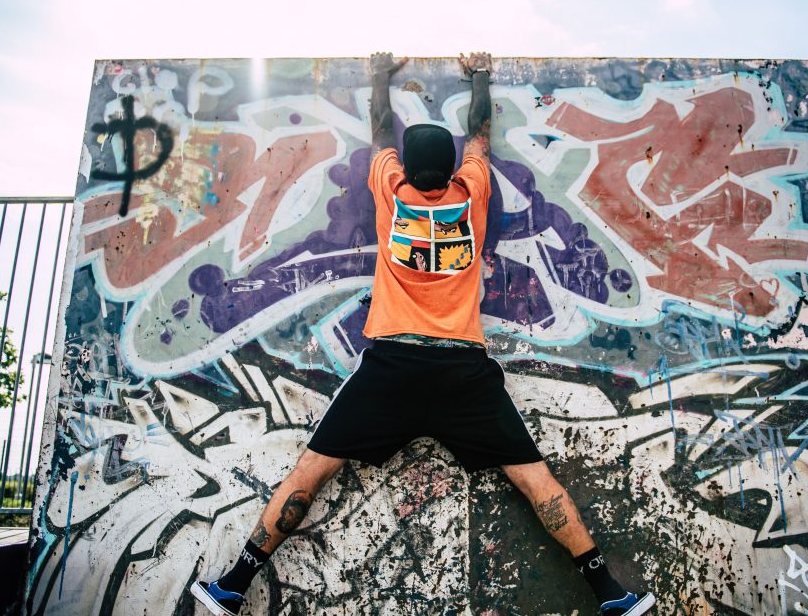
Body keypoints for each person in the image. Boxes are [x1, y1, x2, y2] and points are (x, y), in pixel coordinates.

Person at [190, 52, 656, 616]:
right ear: (452, 167)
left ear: (407, 168)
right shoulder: (473, 191)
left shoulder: (392, 191)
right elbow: (480, 133)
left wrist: (379, 76)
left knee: (310, 472)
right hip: (463, 372)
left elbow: (379, 129)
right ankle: (610, 594)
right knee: (536, 480)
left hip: (392, 367)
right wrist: (479, 75)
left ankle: (234, 585)